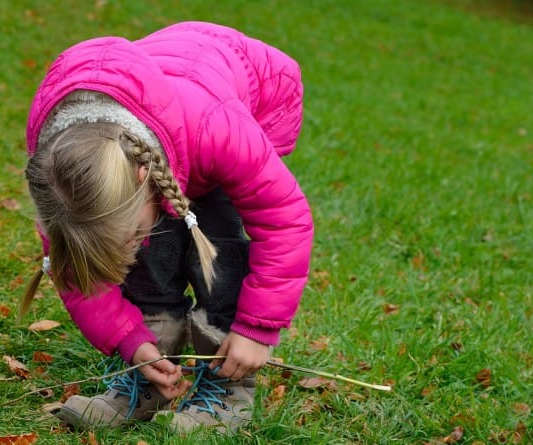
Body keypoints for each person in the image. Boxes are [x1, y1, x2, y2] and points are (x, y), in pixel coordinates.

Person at [19, 21, 313, 432]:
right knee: (152, 251)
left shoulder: (221, 132)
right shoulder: (63, 182)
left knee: (217, 242)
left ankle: (227, 388)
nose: (130, 247)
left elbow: (284, 221)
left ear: (143, 178)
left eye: (130, 236)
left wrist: (257, 329)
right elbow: (76, 269)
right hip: (166, 122)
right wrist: (132, 340)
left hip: (245, 101)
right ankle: (150, 375)